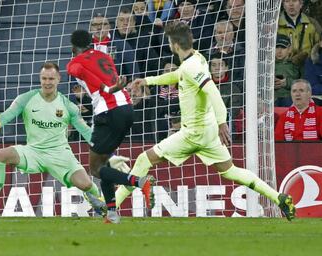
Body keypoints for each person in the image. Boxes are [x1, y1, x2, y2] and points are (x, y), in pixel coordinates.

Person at [116, 21, 296, 221]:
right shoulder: (196, 58)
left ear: (174, 44)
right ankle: (278, 197)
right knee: (231, 171)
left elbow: (213, 92)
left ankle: (110, 206)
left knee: (144, 159)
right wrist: (148, 81)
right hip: (207, 132)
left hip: (194, 133)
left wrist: (222, 122)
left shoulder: (192, 66)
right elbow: (178, 75)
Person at [0, 62, 131, 218]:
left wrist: (110, 155)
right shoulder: (26, 99)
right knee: (0, 155)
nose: (47, 82)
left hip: (60, 154)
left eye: (51, 79)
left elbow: (87, 133)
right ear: (40, 79)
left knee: (85, 184)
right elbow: (2, 119)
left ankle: (96, 199)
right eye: (44, 78)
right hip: (33, 151)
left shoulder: (69, 107)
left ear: (58, 79)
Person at [67, 29, 155, 223]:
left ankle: (140, 182)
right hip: (127, 108)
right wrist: (110, 87)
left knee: (96, 168)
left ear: (73, 47)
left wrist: (106, 89)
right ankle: (112, 214)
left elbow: (83, 73)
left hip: (108, 112)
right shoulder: (104, 56)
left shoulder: (75, 63)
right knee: (104, 162)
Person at [274, 34, 301, 107]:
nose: (279, 51)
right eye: (276, 47)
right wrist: (270, 85)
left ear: (289, 49)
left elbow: (303, 83)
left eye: (283, 47)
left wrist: (286, 83)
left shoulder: (297, 64)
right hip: (272, 98)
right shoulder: (267, 64)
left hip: (290, 98)